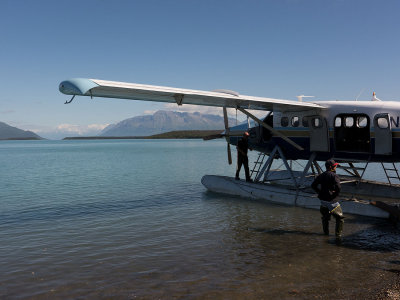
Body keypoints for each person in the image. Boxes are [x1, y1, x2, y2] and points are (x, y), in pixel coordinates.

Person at [311, 159, 344, 238]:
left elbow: (313, 185)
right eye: (335, 166)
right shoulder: (334, 175)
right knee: (340, 218)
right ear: (331, 167)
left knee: (325, 218)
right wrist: (334, 195)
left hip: (323, 201)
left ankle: (325, 234)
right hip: (332, 201)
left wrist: (320, 193)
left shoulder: (321, 175)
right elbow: (338, 187)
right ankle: (338, 236)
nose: (336, 167)